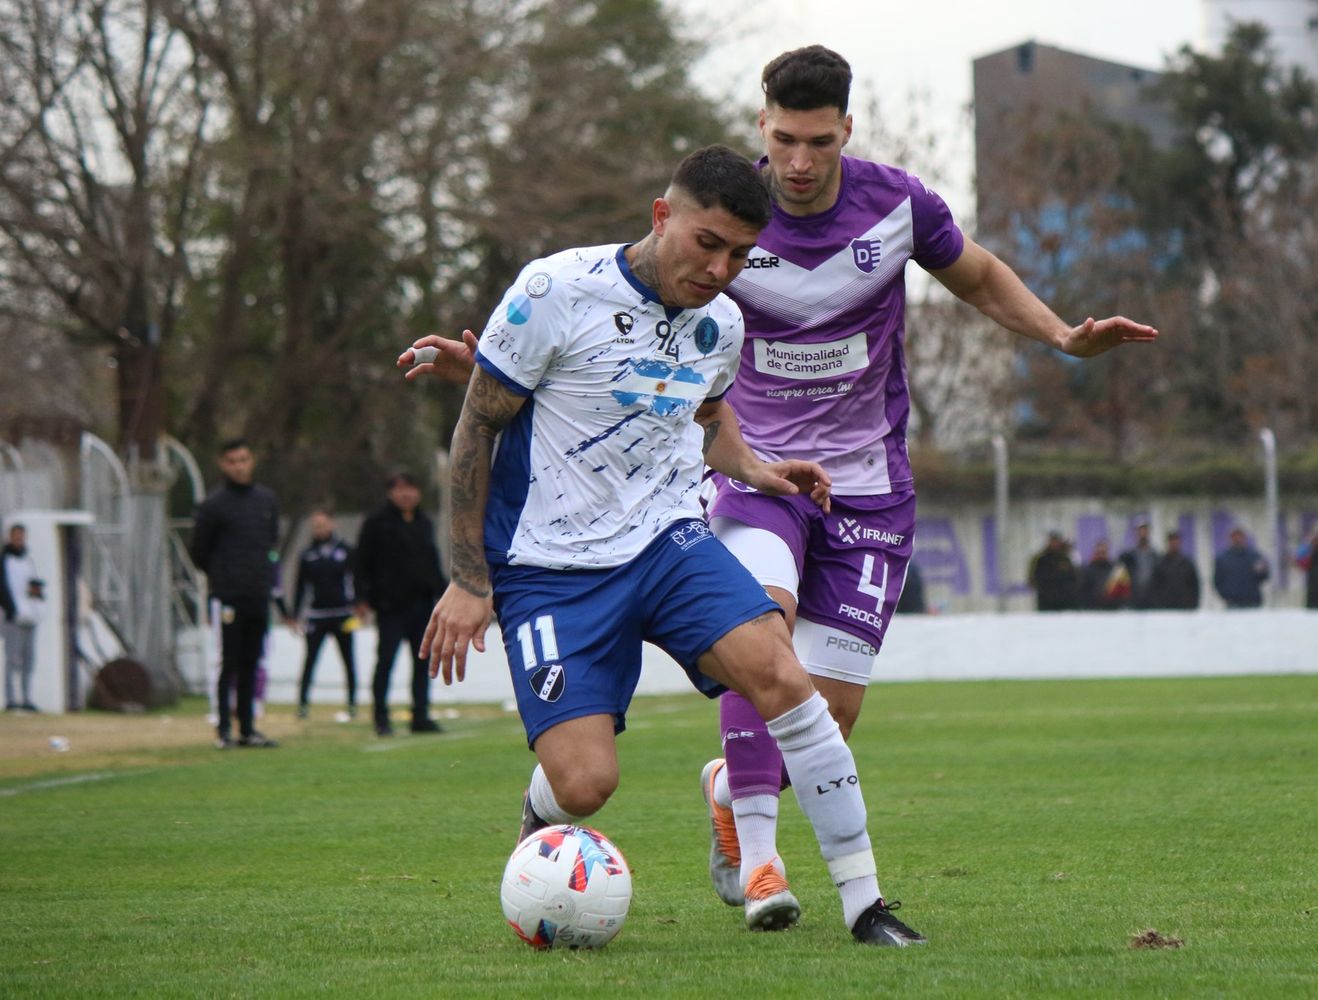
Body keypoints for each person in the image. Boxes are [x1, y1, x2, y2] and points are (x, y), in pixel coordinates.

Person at [399, 47, 1158, 927]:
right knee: (602, 773)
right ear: (761, 127)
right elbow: (544, 376)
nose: (799, 164)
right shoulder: (621, 262)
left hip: (799, 499)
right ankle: (740, 860)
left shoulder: (834, 245)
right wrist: (473, 538)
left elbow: (698, 404)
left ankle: (827, 872)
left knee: (807, 697)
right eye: (784, 141)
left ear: (846, 133)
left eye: (819, 143)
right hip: (607, 544)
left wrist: (1062, 338)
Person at [418, 145, 924, 946]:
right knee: (585, 786)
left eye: (740, 255)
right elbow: (478, 424)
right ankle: (542, 806)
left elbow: (702, 415)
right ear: (663, 217)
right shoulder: (555, 289)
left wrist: (760, 469)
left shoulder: (721, 323)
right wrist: (469, 580)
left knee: (783, 675)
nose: (721, 269)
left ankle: (866, 903)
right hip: (551, 570)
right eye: (707, 243)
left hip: (666, 543)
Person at [189, 440, 281, 748]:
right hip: (228, 596)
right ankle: (224, 728)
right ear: (222, 464)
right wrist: (222, 577)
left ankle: (248, 727)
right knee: (228, 662)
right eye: (232, 461)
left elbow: (271, 543)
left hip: (258, 594)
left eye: (243, 459)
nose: (239, 466)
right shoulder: (213, 505)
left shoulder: (266, 500)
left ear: (251, 460)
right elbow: (198, 551)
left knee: (251, 662)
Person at [355, 472, 445, 737]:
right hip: (390, 607)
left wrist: (444, 592)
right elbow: (361, 563)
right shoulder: (375, 523)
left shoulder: (424, 522)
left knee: (422, 662)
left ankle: (420, 715)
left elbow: (431, 561)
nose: (406, 494)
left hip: (422, 605)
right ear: (390, 493)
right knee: (386, 662)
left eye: (410, 488)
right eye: (399, 489)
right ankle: (381, 718)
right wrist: (361, 599)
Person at [292, 509, 359, 719]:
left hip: (343, 614)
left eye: (322, 524)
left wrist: (359, 606)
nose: (319, 529)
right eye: (315, 525)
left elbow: (357, 580)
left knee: (348, 660)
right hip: (317, 615)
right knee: (310, 660)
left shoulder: (346, 550)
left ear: (332, 523)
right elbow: (300, 586)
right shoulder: (308, 554)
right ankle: (303, 704)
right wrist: (295, 614)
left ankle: (352, 703)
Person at [2, 524, 43, 711]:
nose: (19, 540)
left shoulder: (29, 560)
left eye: (21, 537)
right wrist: (11, 610)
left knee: (29, 660)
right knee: (12, 660)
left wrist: (38, 606)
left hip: (30, 617)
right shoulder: (5, 561)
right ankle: (11, 700)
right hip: (13, 618)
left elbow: (35, 587)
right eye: (16, 537)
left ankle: (27, 698)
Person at [1213, 527, 1270, 609]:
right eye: (1234, 536)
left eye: (1240, 536)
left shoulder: (1255, 556)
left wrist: (1263, 571)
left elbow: (1263, 577)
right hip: (1232, 603)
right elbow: (1217, 580)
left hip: (1253, 602)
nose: (1237, 539)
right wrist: (1226, 596)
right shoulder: (1222, 558)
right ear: (1230, 538)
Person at [1146, 530, 1200, 610]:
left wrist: (1192, 604)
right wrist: (1158, 604)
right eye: (1172, 541)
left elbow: (1195, 586)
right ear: (1168, 543)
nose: (1174, 543)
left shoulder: (1187, 563)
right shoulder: (1160, 563)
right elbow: (1154, 586)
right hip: (1165, 608)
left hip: (1185, 608)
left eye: (1176, 540)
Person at [1028, 531, 1078, 611]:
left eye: (1056, 541)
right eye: (1052, 541)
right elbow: (1033, 578)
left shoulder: (1066, 558)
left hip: (1065, 601)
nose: (1054, 543)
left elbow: (1073, 578)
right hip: (1046, 601)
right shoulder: (1040, 559)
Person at [1118, 519, 1159, 610]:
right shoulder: (1128, 557)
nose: (1143, 533)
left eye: (1145, 530)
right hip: (1134, 600)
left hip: (1151, 601)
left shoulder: (1155, 556)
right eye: (1140, 531)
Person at [1078, 539, 1128, 611]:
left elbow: (1121, 593)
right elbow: (1083, 592)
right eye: (1099, 552)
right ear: (1095, 553)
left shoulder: (1115, 571)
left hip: (1111, 610)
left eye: (1103, 552)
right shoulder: (1087, 570)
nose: (1101, 555)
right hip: (1092, 610)